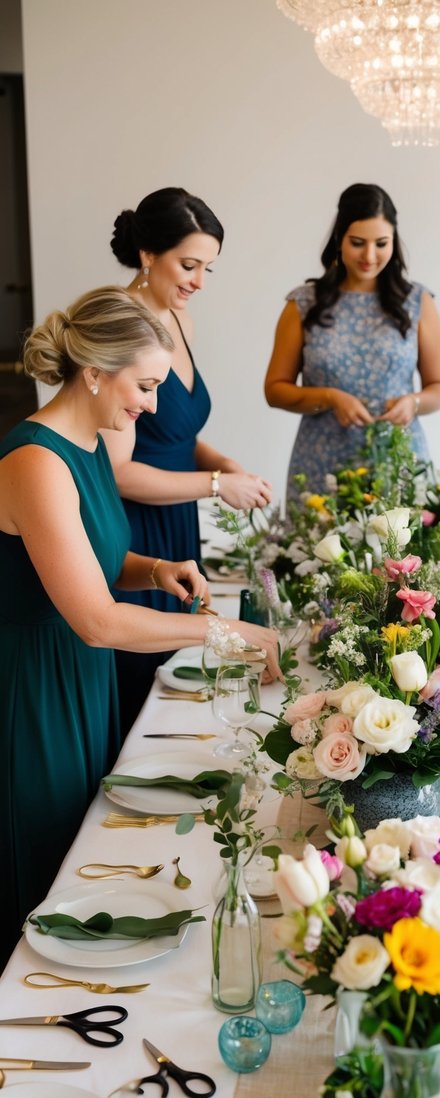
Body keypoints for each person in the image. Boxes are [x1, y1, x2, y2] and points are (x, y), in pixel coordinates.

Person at [0, 287, 279, 965]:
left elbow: (91, 560)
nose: (152, 406)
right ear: (94, 371)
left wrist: (153, 569)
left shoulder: (88, 444)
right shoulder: (35, 460)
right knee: (49, 871)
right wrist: (225, 633)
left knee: (89, 852)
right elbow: (94, 618)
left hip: (82, 677)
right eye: (145, 385)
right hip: (39, 689)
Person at [106, 187, 273, 733]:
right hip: (138, 525)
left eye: (208, 268)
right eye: (189, 264)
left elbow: (176, 433)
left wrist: (225, 464)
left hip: (177, 514)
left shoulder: (180, 322)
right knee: (140, 678)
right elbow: (120, 471)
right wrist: (217, 483)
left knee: (180, 670)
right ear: (148, 254)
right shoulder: (120, 324)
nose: (198, 281)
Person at [264, 182, 440, 497]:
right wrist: (331, 398)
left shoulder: (417, 301)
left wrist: (413, 402)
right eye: (358, 243)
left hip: (398, 462)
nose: (369, 255)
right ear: (339, 239)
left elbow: (439, 388)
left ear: (394, 241)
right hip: (321, 467)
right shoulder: (304, 303)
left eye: (381, 243)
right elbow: (275, 390)